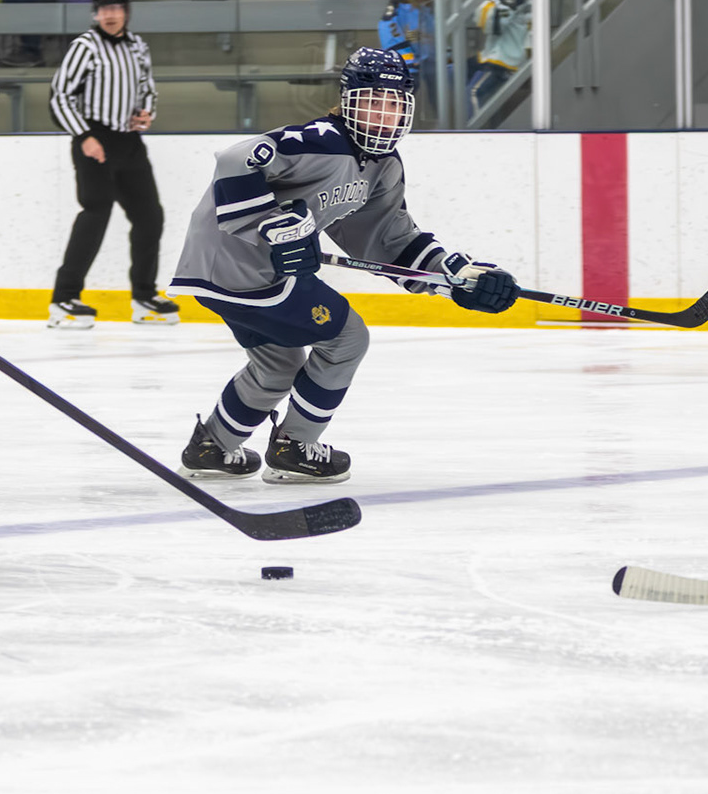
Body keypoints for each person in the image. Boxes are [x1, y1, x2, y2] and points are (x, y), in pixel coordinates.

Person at [168, 46, 518, 483]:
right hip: (242, 265)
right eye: (373, 102)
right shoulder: (320, 141)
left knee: (277, 365)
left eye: (394, 104)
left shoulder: (382, 167)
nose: (384, 115)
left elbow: (388, 241)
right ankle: (295, 445)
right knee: (347, 338)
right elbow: (235, 159)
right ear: (348, 101)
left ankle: (212, 446)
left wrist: (453, 277)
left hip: (220, 272)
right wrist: (271, 225)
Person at [46, 0, 178, 329]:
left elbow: (147, 88)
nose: (110, 14)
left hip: (129, 142)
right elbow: (60, 96)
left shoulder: (138, 46)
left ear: (126, 11)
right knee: (96, 213)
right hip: (95, 139)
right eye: (104, 9)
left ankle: (144, 297)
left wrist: (146, 113)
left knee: (150, 216)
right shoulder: (85, 46)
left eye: (116, 8)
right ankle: (63, 299)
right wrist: (84, 136)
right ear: (95, 13)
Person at [467, 0, 529, 122]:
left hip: (505, 61)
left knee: (476, 92)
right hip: (501, 56)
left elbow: (496, 25)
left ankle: (480, 132)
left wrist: (484, 4)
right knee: (460, 70)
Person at [379, 0, 436, 104]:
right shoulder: (399, 3)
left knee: (441, 100)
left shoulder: (433, 3)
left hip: (431, 65)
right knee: (399, 105)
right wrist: (406, 59)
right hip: (407, 67)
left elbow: (437, 35)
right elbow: (388, 31)